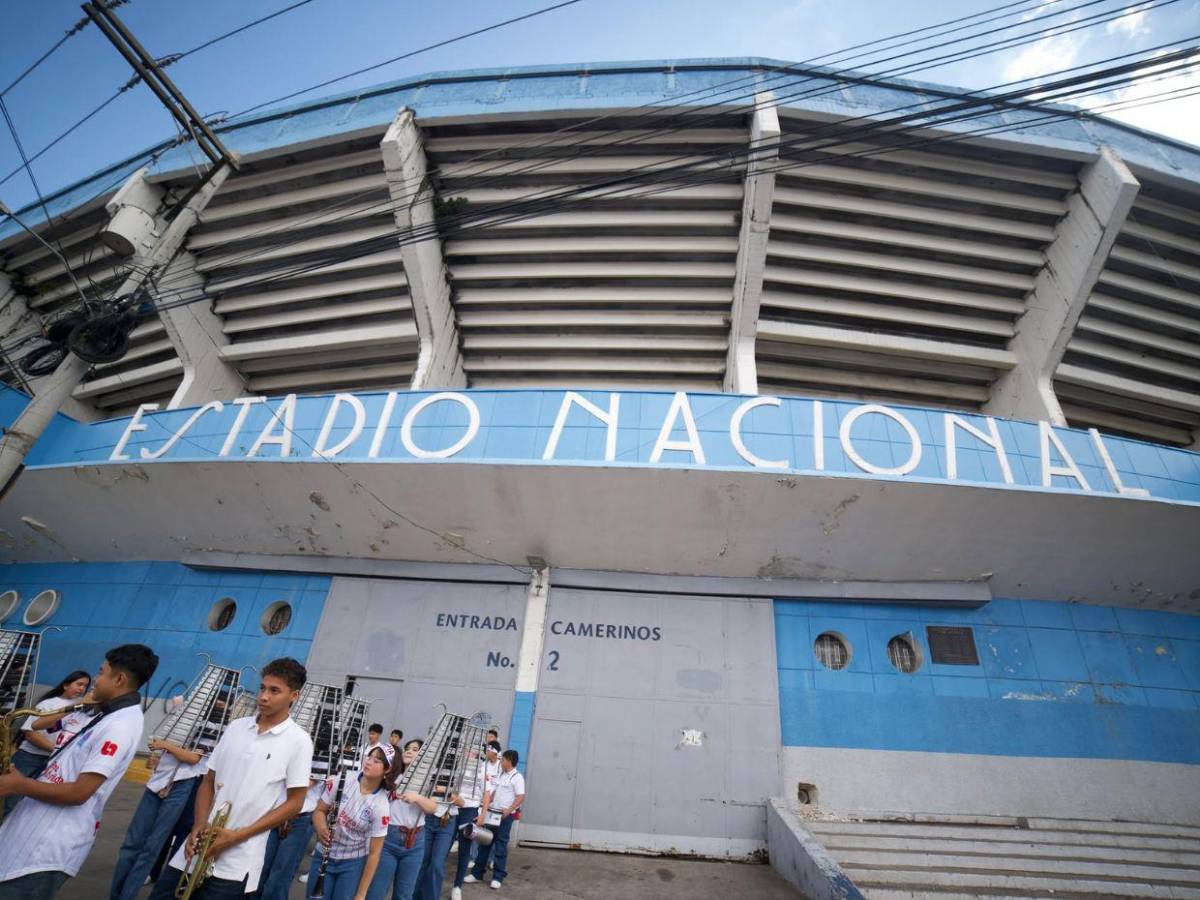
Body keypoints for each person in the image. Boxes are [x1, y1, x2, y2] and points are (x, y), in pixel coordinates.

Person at [0, 644, 158, 900]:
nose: (95, 680)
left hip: (45, 849)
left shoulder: (120, 725)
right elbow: (38, 726)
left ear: (119, 679)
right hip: (28, 831)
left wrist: (19, 785)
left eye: (101, 673)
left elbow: (80, 792)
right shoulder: (101, 711)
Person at [149, 658, 314, 900]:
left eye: (274, 690)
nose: (264, 696)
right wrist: (198, 825)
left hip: (239, 860)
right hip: (196, 848)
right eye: (262, 688)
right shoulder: (236, 727)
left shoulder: (299, 741)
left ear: (294, 696)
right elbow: (208, 782)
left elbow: (295, 803)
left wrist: (238, 835)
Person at [108, 732, 208, 900]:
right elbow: (162, 748)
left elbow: (194, 758)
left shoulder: (214, 722)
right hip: (158, 780)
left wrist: (166, 745)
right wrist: (158, 758)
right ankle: (116, 895)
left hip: (183, 785)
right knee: (130, 845)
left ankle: (127, 895)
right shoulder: (180, 716)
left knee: (151, 849)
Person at [306, 744, 392, 899]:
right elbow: (319, 811)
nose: (369, 762)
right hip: (324, 854)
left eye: (377, 761)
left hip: (352, 863)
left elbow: (374, 854)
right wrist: (321, 828)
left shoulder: (381, 805)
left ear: (387, 770)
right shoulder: (344, 779)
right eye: (369, 757)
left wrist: (361, 894)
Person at [3, 670, 91, 816]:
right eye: (79, 684)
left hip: (53, 761)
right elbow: (30, 734)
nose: (82, 689)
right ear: (66, 685)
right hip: (30, 758)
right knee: (11, 801)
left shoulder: (82, 708)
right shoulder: (48, 704)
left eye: (85, 686)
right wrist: (56, 749)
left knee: (30, 805)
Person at [366, 739, 438, 900]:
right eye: (407, 748)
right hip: (388, 838)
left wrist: (417, 798)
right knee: (376, 891)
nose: (409, 751)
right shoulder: (390, 775)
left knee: (404, 894)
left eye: (414, 749)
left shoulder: (428, 780)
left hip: (415, 841)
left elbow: (433, 808)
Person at [463, 751, 525, 891]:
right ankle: (477, 874)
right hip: (493, 815)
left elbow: (520, 797)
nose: (500, 762)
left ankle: (497, 877)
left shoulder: (517, 777)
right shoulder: (501, 775)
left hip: (505, 817)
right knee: (485, 843)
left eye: (502, 759)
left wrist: (509, 810)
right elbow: (493, 793)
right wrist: (485, 804)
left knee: (500, 846)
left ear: (509, 761)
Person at [445, 739, 489, 900]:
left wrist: (483, 813)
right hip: (450, 809)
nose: (468, 750)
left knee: (465, 850)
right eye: (466, 747)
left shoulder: (482, 768)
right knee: (443, 848)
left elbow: (487, 793)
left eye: (471, 748)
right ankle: (431, 882)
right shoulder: (455, 764)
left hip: (469, 811)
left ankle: (457, 887)